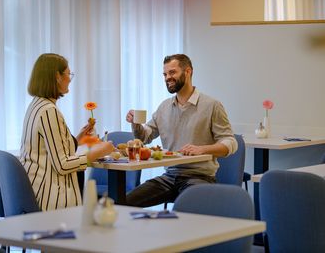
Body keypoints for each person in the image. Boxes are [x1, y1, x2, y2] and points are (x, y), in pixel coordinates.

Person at [125, 54, 238, 207]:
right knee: (124, 203)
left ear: (188, 72)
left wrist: (202, 149)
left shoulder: (212, 105)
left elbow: (231, 143)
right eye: (165, 74)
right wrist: (135, 123)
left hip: (199, 177)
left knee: (190, 210)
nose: (167, 78)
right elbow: (145, 137)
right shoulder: (164, 107)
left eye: (172, 72)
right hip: (169, 177)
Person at [20, 53, 113, 211]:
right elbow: (62, 165)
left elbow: (51, 150)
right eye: (68, 74)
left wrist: (78, 138)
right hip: (50, 198)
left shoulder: (36, 105)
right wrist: (99, 151)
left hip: (34, 190)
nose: (70, 79)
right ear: (57, 76)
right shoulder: (49, 111)